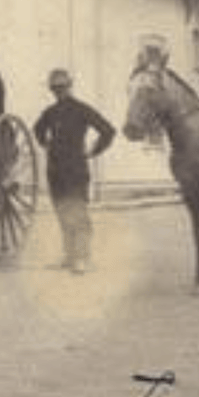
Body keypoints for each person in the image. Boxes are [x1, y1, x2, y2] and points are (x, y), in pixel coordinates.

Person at [34, 68, 115, 274]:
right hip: (59, 171)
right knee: (64, 213)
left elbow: (108, 130)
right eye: (55, 88)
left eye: (61, 88)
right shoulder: (53, 112)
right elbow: (38, 129)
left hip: (72, 171)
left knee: (77, 213)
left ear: (69, 87)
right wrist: (46, 144)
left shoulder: (78, 109)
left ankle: (83, 259)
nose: (58, 91)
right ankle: (70, 257)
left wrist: (93, 151)